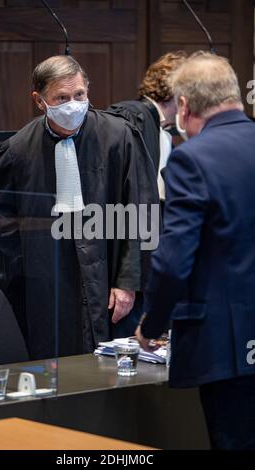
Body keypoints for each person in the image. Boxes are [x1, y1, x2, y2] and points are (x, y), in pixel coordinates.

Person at [0, 55, 158, 360]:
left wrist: (128, 282)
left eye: (79, 95)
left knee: (113, 364)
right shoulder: (18, 150)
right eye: (62, 97)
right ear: (39, 100)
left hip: (108, 271)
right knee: (56, 356)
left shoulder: (119, 137)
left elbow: (142, 212)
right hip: (49, 277)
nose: (73, 104)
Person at [136, 52, 255, 450]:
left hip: (227, 346)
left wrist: (152, 325)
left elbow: (174, 260)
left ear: (184, 107)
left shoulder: (192, 159)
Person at [107, 52, 187, 338]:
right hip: (132, 261)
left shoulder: (164, 132)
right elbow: (128, 201)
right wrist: (125, 278)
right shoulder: (135, 116)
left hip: (151, 258)